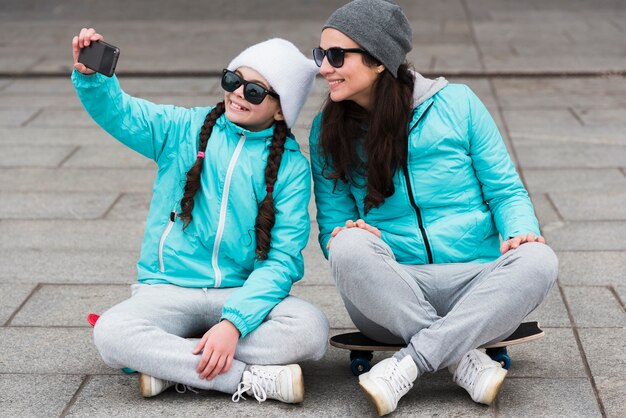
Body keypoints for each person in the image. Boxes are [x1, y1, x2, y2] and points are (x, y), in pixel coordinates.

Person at [309, 0, 558, 415]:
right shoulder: (327, 131)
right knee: (349, 246)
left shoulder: (458, 105)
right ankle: (462, 357)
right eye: (321, 55)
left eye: (336, 56)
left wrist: (519, 231)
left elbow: (505, 190)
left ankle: (409, 363)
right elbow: (330, 228)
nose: (323, 68)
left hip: (475, 288)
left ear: (377, 60)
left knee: (539, 259)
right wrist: (347, 235)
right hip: (391, 293)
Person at [71, 28, 329, 404]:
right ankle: (247, 379)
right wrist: (94, 80)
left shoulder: (292, 168)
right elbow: (122, 113)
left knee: (311, 330)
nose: (238, 93)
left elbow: (281, 261)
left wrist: (233, 324)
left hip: (243, 293)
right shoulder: (182, 129)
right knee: (111, 332)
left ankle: (169, 364)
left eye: (255, 91)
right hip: (167, 288)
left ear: (280, 109)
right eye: (233, 79)